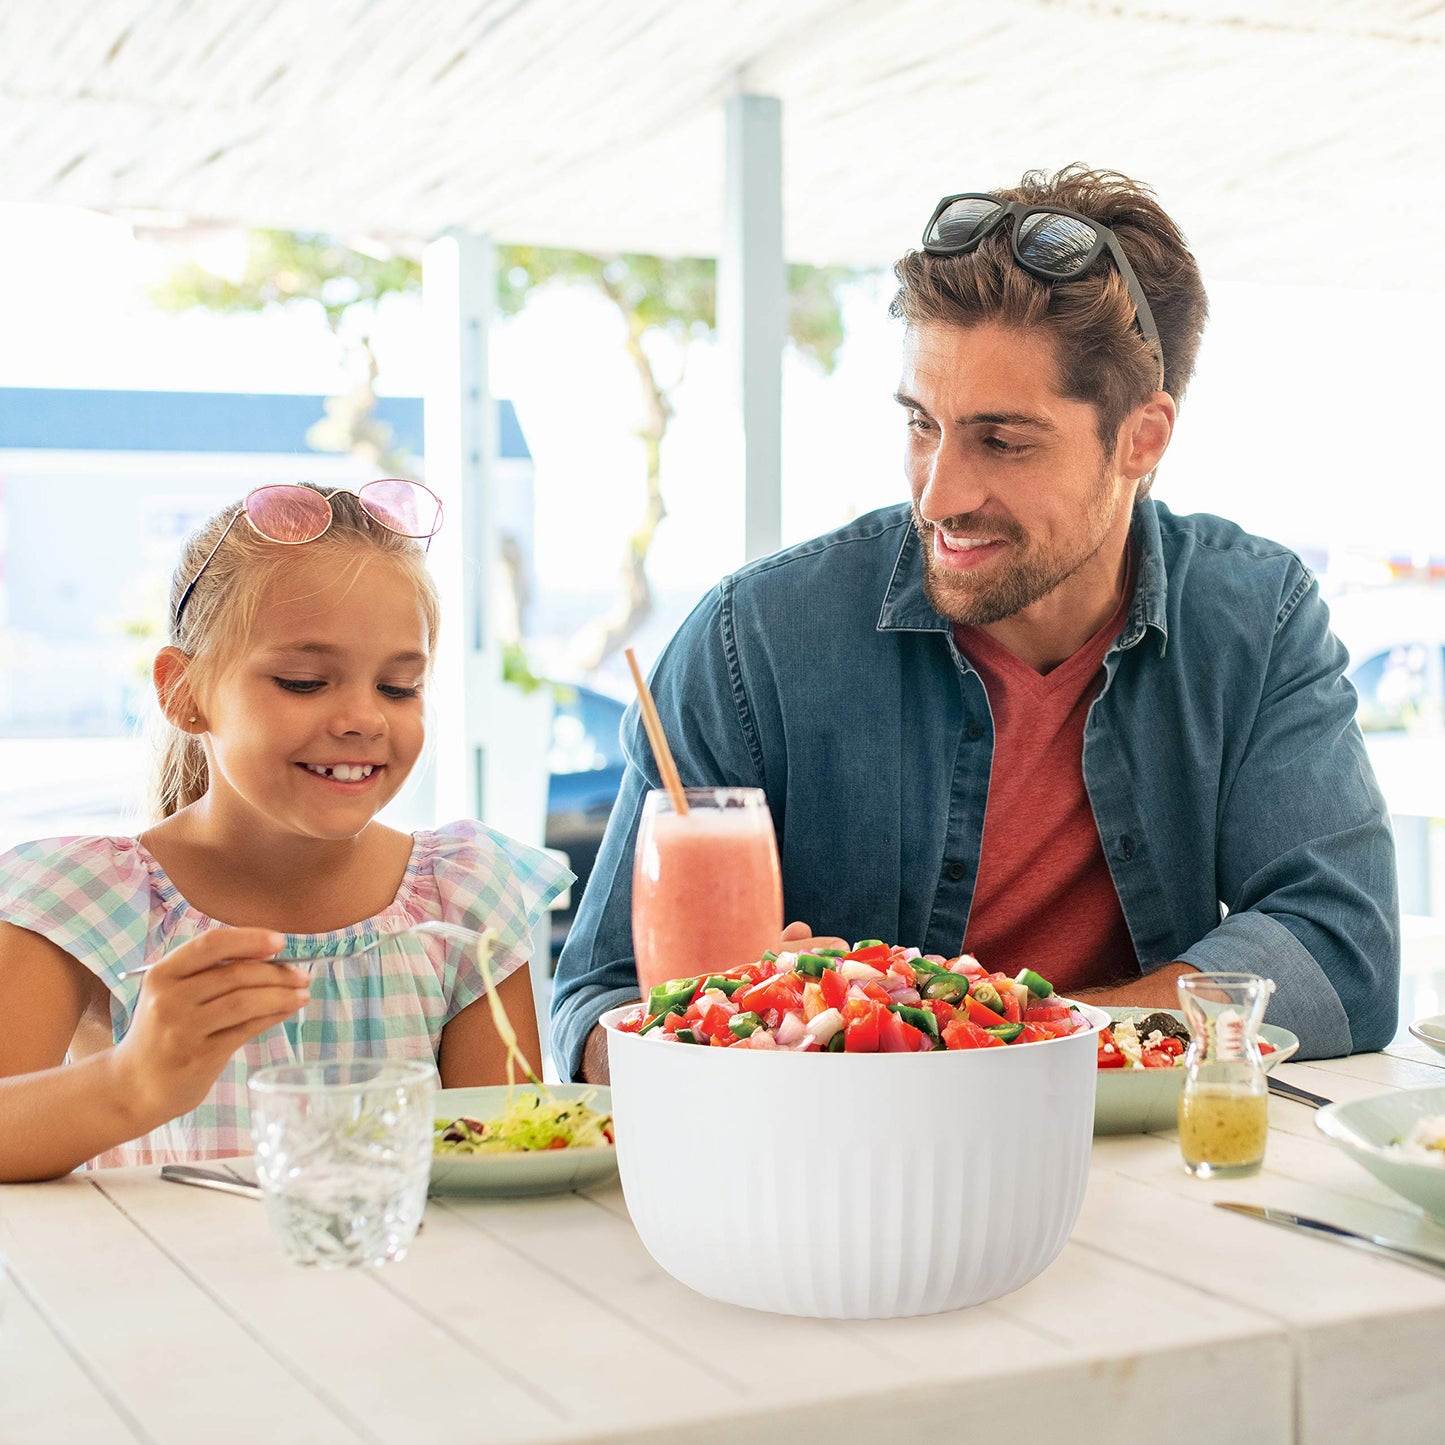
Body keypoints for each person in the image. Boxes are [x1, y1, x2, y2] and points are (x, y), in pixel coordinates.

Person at [553, 165, 1399, 1082]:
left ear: (1140, 439)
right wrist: (736, 1030)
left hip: (1152, 1167)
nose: (938, 495)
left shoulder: (1255, 615)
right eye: (922, 423)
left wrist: (1002, 1033)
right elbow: (594, 1008)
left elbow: (1342, 954)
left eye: (1001, 440)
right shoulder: (748, 639)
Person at [0, 481, 570, 1181]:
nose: (365, 717)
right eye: (304, 681)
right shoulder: (82, 897)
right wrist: (134, 1081)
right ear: (184, 692)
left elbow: (507, 1164)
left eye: (398, 687)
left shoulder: (464, 890)